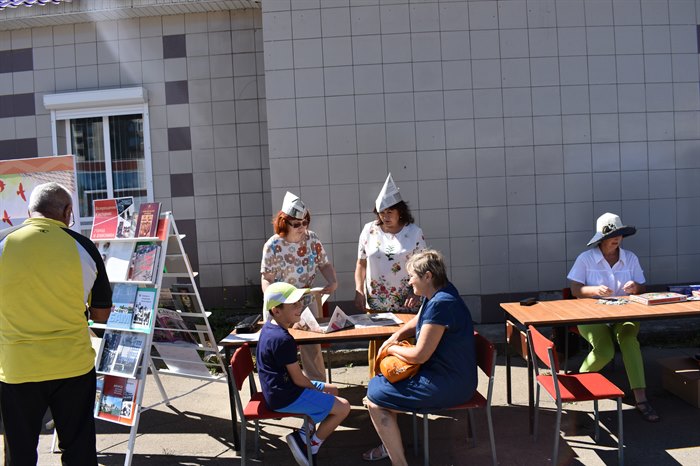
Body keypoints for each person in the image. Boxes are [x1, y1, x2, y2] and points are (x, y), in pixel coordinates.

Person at [0, 182, 113, 465]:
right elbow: (102, 314)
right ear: (67, 211)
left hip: (17, 367)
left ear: (30, 211)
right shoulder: (84, 247)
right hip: (73, 365)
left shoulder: (3, 244)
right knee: (79, 449)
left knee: (20, 452)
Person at [363, 250, 476, 465]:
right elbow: (421, 318)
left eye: (412, 276)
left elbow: (419, 356)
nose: (409, 281)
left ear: (428, 276)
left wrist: (391, 349)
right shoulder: (441, 293)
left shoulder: (442, 304)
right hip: (449, 376)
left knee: (375, 398)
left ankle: (397, 460)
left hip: (449, 383)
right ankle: (391, 444)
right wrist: (396, 336)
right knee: (377, 389)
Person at [567, 212, 659, 422]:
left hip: (625, 313)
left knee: (629, 341)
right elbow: (575, 289)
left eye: (619, 234)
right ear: (601, 238)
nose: (616, 239)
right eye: (611, 235)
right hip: (591, 315)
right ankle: (577, 384)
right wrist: (594, 290)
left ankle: (641, 399)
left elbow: (642, 287)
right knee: (604, 351)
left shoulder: (630, 257)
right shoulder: (586, 258)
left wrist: (635, 287)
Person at [257, 282, 350, 466]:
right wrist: (314, 389)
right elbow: (299, 379)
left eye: (299, 302)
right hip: (285, 397)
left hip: (279, 390)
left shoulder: (269, 328)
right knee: (344, 407)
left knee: (333, 390)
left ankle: (303, 433)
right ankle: (310, 445)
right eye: (294, 304)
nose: (300, 306)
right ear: (276, 310)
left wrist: (318, 389)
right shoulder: (283, 339)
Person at [261, 191, 337, 382]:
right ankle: (284, 386)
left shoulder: (312, 239)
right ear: (284, 222)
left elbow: (324, 264)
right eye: (296, 224)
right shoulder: (273, 245)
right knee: (280, 347)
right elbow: (267, 278)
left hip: (306, 301)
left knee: (312, 347)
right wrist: (274, 303)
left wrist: (332, 281)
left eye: (305, 222)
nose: (302, 227)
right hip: (280, 305)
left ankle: (318, 387)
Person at [355, 173, 426, 375]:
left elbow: (423, 267)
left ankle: (405, 385)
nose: (385, 216)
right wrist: (359, 290)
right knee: (378, 346)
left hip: (406, 301)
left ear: (400, 212)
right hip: (376, 301)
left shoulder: (414, 232)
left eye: (389, 211)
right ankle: (377, 385)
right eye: (381, 212)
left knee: (405, 348)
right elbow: (361, 263)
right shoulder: (369, 230)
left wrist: (416, 293)